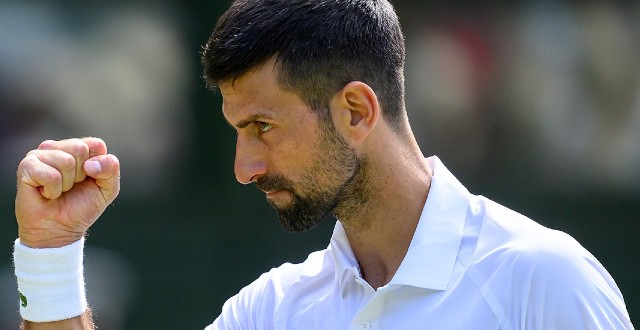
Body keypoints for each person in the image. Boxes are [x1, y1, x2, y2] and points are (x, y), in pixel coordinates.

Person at [12, 0, 634, 329]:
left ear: (357, 111)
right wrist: (50, 257)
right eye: (235, 131)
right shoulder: (271, 313)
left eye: (262, 127)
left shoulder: (545, 282)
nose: (244, 167)